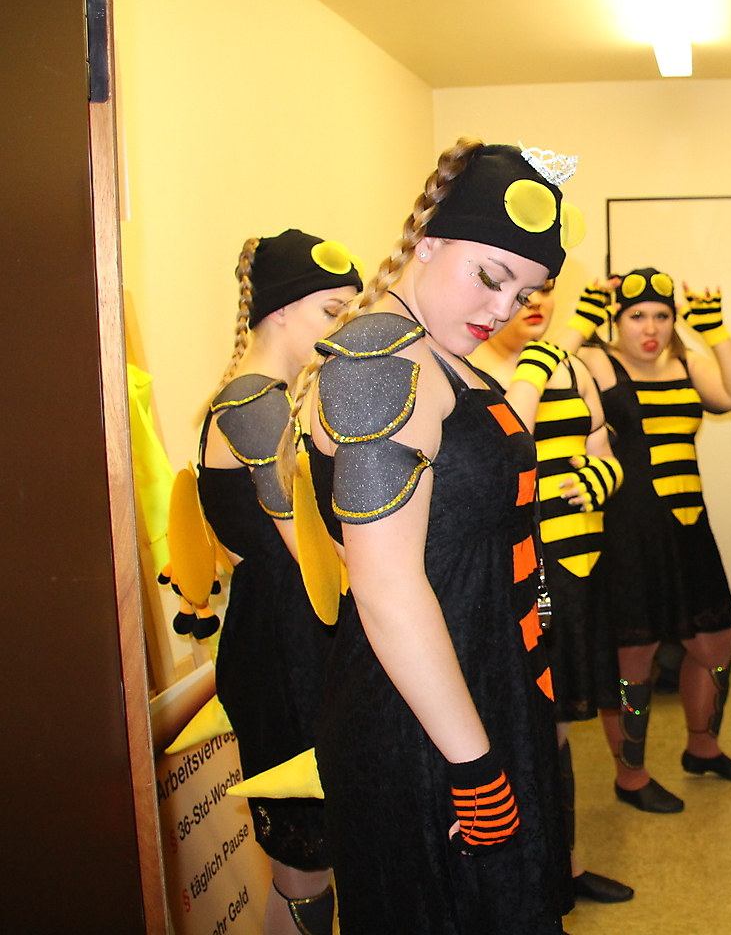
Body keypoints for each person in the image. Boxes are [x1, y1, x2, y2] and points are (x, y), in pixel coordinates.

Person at [289, 140, 581, 933]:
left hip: (481, 685)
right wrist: (474, 767)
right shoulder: (381, 362)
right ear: (427, 243)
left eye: (525, 291)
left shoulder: (443, 352)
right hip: (420, 725)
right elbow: (386, 588)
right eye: (490, 276)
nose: (503, 308)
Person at [198, 229, 360, 935]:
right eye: (332, 312)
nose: (340, 331)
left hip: (290, 640)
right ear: (281, 309)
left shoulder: (263, 399)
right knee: (307, 863)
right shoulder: (255, 403)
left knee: (308, 867)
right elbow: (315, 553)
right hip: (288, 653)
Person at [558, 267, 731, 813]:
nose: (650, 328)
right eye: (636, 316)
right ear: (616, 320)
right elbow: (544, 369)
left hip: (688, 525)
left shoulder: (687, 362)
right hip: (626, 529)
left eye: (662, 316)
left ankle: (703, 747)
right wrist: (582, 322)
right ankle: (631, 775)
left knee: (716, 641)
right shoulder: (596, 361)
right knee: (634, 654)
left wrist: (714, 332)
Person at [467, 281, 634, 904]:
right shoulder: (475, 368)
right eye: (521, 291)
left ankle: (562, 867)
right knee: (537, 725)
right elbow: (504, 455)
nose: (534, 302)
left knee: (558, 722)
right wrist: (539, 363)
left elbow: (604, 449)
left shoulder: (574, 367)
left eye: (545, 291)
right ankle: (543, 875)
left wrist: (600, 478)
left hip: (580, 567)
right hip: (521, 571)